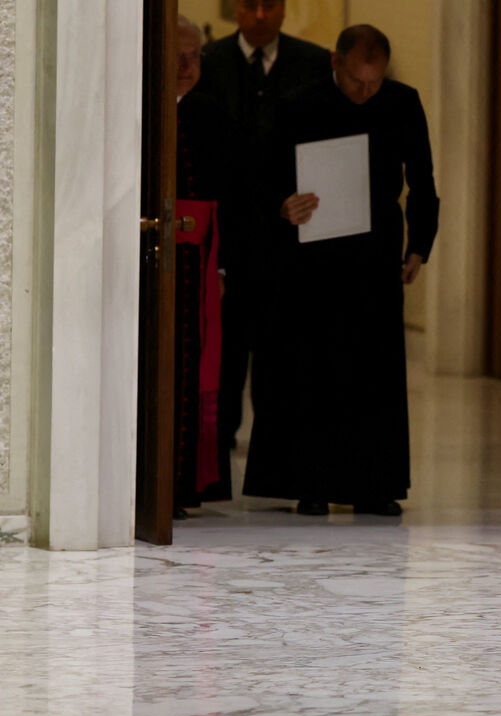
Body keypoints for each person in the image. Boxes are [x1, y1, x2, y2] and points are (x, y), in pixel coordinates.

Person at [243, 24, 440, 517]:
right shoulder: (298, 104)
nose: (365, 92)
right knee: (313, 366)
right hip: (311, 258)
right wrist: (282, 207)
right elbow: (262, 175)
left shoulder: (401, 102)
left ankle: (374, 484)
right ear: (336, 63)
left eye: (374, 83)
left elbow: (422, 180)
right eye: (357, 82)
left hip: (375, 257)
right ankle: (311, 482)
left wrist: (420, 246)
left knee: (374, 370)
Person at [194, 0, 331, 455]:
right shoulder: (208, 61)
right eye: (249, 6)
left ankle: (277, 436)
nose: (258, 15)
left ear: (284, 10)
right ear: (235, 10)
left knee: (281, 338)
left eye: (268, 5)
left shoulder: (312, 61)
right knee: (228, 337)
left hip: (290, 224)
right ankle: (220, 430)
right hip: (229, 220)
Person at [173, 15, 231, 516]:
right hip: (156, 264)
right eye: (177, 55)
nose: (187, 66)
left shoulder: (210, 112)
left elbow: (228, 193)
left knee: (197, 366)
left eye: (195, 57)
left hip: (202, 264)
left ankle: (189, 484)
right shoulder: (139, 107)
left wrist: (224, 264)